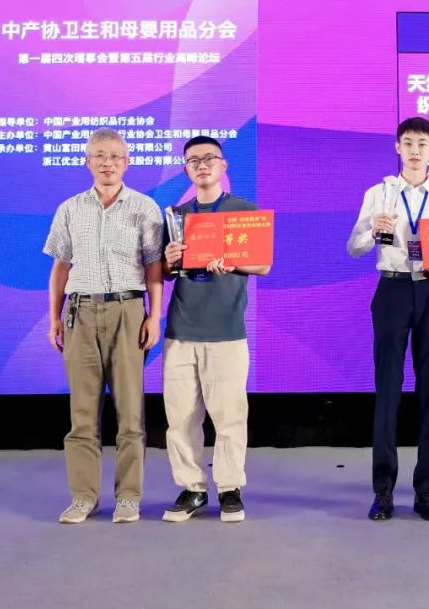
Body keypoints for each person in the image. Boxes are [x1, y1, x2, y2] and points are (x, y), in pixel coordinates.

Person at [347, 117, 429, 522]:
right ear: (397, 148)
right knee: (388, 390)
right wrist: (372, 231)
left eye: (422, 143)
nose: (415, 150)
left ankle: (426, 491)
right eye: (408, 143)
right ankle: (383, 491)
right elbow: (353, 248)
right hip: (393, 289)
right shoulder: (378, 193)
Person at [43, 128, 164, 524]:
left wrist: (154, 316)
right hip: (80, 313)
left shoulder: (144, 207)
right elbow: (60, 267)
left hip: (128, 312)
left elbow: (154, 268)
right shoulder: (69, 209)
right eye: (99, 155)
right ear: (87, 161)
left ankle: (128, 496)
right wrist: (54, 318)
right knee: (82, 413)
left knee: (130, 413)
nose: (107, 162)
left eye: (114, 156)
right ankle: (84, 496)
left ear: (126, 162)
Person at [159, 136, 270, 523]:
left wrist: (232, 263)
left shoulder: (244, 211)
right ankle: (192, 487)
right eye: (194, 160)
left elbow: (263, 266)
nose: (202, 165)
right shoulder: (176, 216)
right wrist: (169, 259)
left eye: (210, 158)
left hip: (226, 330)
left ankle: (229, 488)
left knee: (229, 416)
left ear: (223, 166)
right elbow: (164, 273)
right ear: (186, 170)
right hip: (181, 330)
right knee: (180, 418)